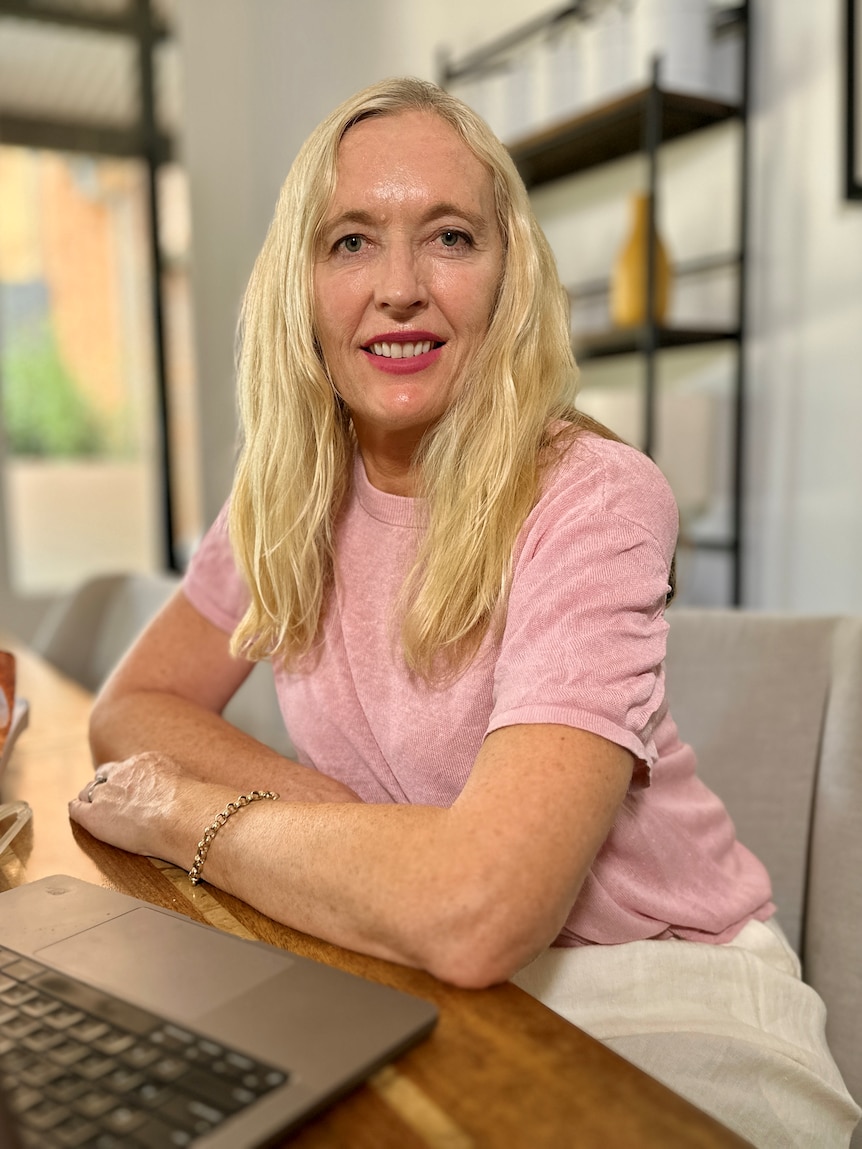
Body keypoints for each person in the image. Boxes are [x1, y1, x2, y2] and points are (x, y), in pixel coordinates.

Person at [69, 78, 859, 1146]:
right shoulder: (287, 490)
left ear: (507, 277)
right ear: (299, 284)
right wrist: (377, 849)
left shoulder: (595, 498)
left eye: (448, 236)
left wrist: (186, 816)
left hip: (665, 995)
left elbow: (481, 909)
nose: (399, 287)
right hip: (409, 962)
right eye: (350, 241)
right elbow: (134, 708)